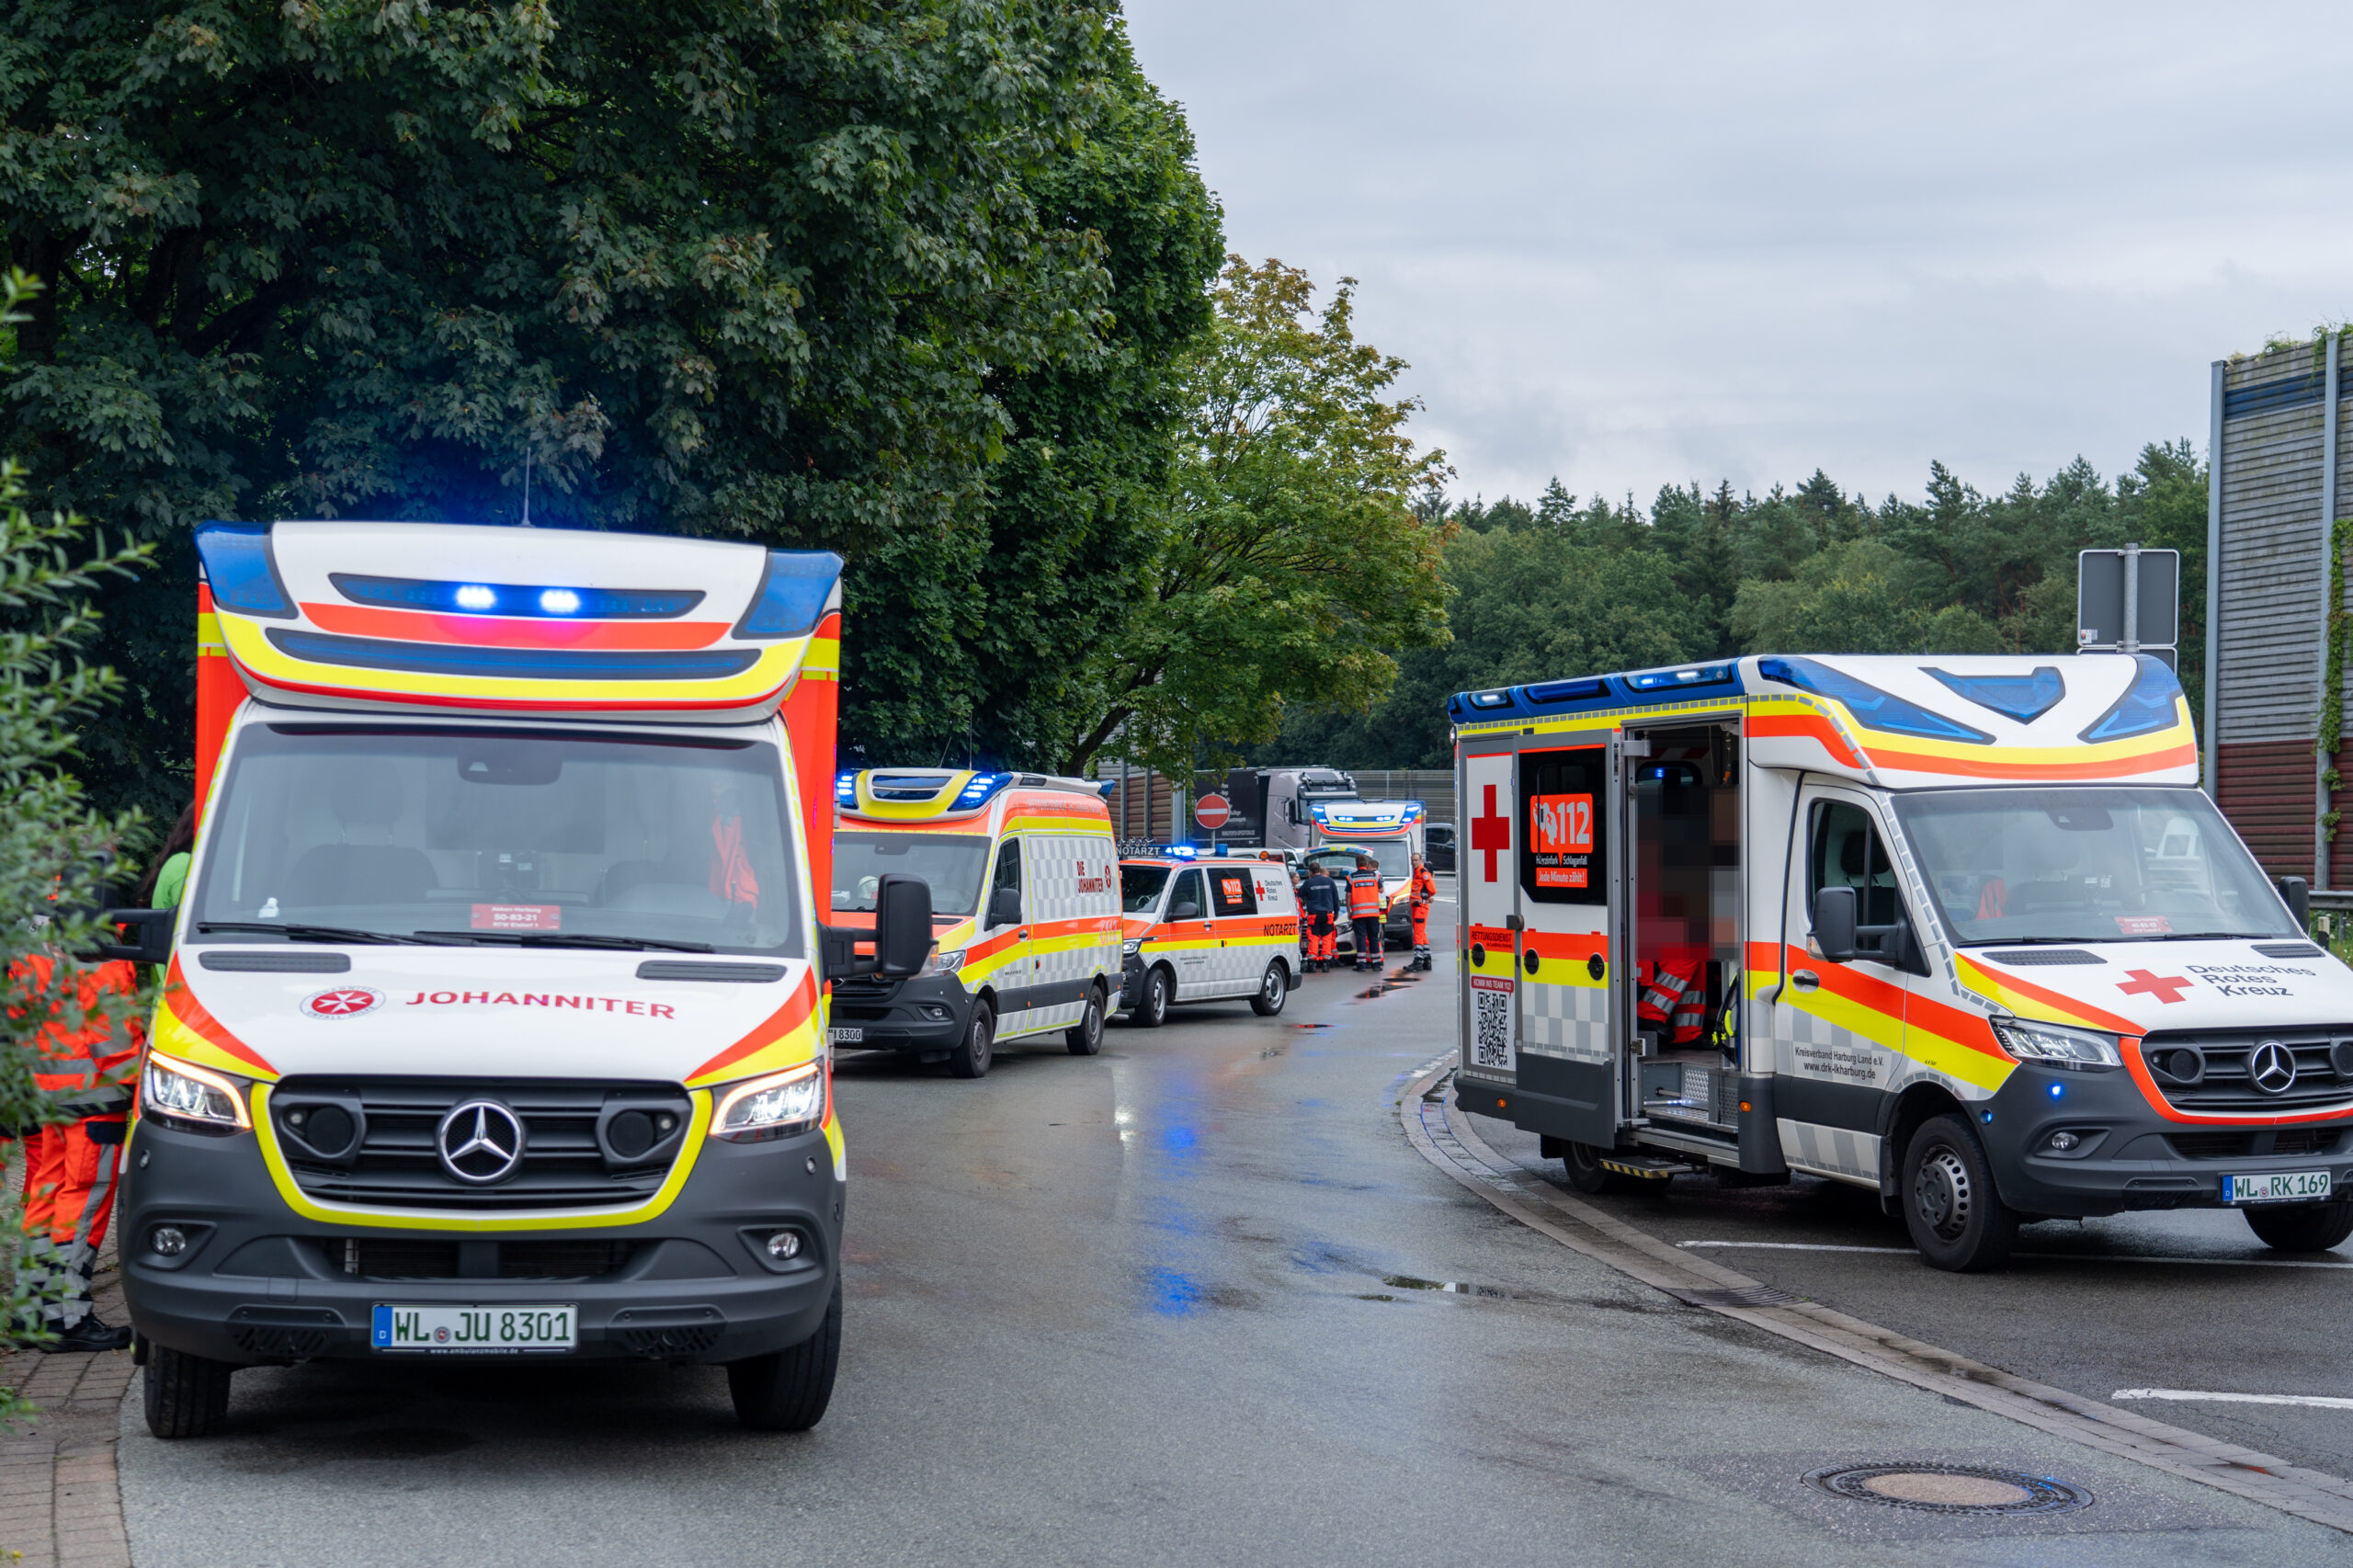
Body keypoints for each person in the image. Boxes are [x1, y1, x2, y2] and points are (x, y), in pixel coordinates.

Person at [9, 944, 142, 1351]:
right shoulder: (94, 936)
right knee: (83, 1202)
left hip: (50, 1089)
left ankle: (31, 1310)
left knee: (46, 1198)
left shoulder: (32, 935)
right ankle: (67, 1318)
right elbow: (111, 1029)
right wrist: (140, 1076)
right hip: (95, 1094)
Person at [1298, 861, 1340, 973]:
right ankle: (1326, 964)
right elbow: (1336, 898)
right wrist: (1336, 912)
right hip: (1328, 914)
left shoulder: (1308, 882)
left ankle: (1312, 963)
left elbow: (1299, 894)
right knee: (1327, 937)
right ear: (1319, 870)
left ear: (1310, 872)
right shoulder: (1329, 881)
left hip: (1314, 915)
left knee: (1314, 937)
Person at [1346, 855, 1384, 971]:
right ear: (1366, 864)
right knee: (1373, 937)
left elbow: (1348, 895)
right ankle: (1376, 963)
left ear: (1356, 864)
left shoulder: (1351, 878)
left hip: (1358, 914)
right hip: (1373, 913)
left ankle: (1361, 964)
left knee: (1361, 938)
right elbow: (1381, 890)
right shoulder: (1375, 876)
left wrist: (1349, 911)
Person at [1408, 852, 1437, 971]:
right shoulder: (1417, 873)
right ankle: (1427, 959)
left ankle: (1418, 960)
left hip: (1420, 907)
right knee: (1422, 933)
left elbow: (1432, 890)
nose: (1414, 862)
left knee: (1418, 934)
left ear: (1420, 860)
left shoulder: (1423, 872)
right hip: (1417, 907)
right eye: (1413, 860)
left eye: (1416, 860)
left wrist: (1426, 897)